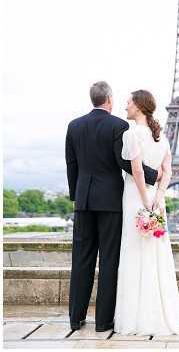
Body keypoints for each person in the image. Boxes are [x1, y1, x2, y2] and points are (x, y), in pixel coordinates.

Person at [65, 81, 159, 332]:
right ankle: (103, 321)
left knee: (81, 260)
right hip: (110, 203)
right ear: (108, 100)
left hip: (84, 202)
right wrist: (154, 176)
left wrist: (77, 195)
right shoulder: (118, 126)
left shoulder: (74, 126)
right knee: (108, 261)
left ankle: (76, 318)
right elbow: (125, 162)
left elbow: (71, 165)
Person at [113, 89, 179, 336]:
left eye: (129, 102)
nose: (125, 106)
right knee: (157, 257)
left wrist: (145, 202)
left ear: (140, 107)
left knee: (134, 254)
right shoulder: (161, 138)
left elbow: (137, 171)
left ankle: (136, 318)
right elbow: (168, 172)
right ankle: (160, 315)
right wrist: (158, 197)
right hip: (157, 199)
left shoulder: (132, 134)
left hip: (136, 197)